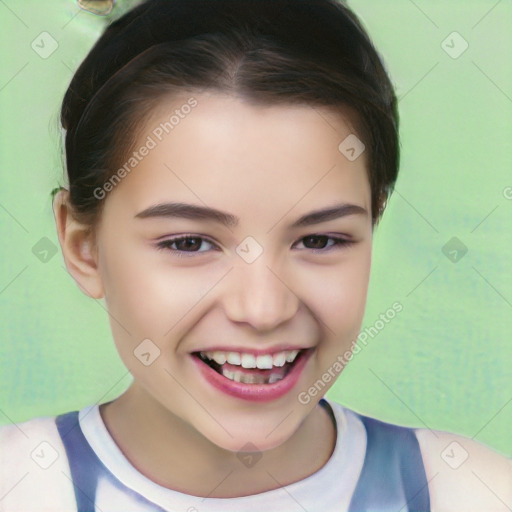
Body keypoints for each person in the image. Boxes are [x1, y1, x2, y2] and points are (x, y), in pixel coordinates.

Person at [1, 0, 510, 510]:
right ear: (83, 247)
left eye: (319, 240)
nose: (264, 310)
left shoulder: (470, 492)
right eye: (189, 243)